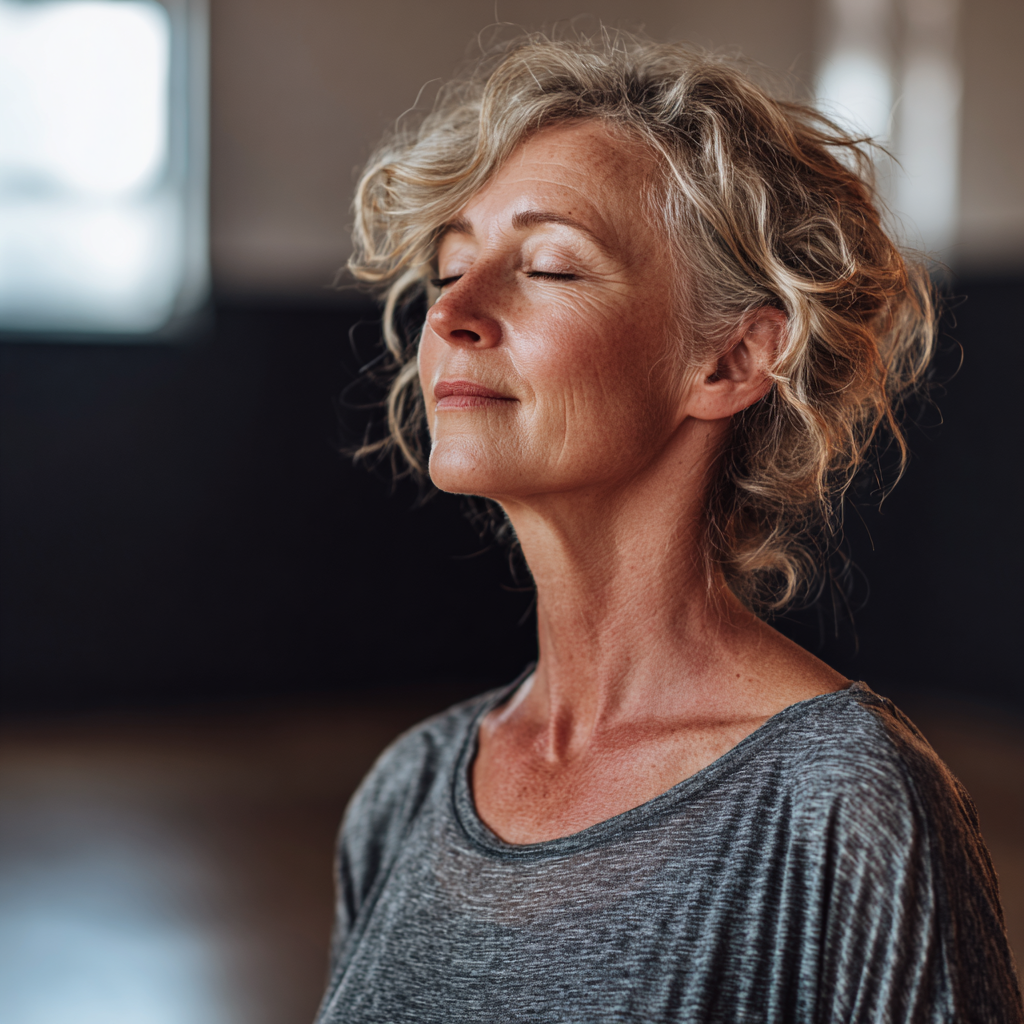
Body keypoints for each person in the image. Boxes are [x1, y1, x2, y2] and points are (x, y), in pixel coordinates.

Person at [316, 32, 1022, 1024]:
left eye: (552, 268)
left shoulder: (841, 807)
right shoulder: (405, 793)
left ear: (730, 361)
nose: (455, 314)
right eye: (448, 267)